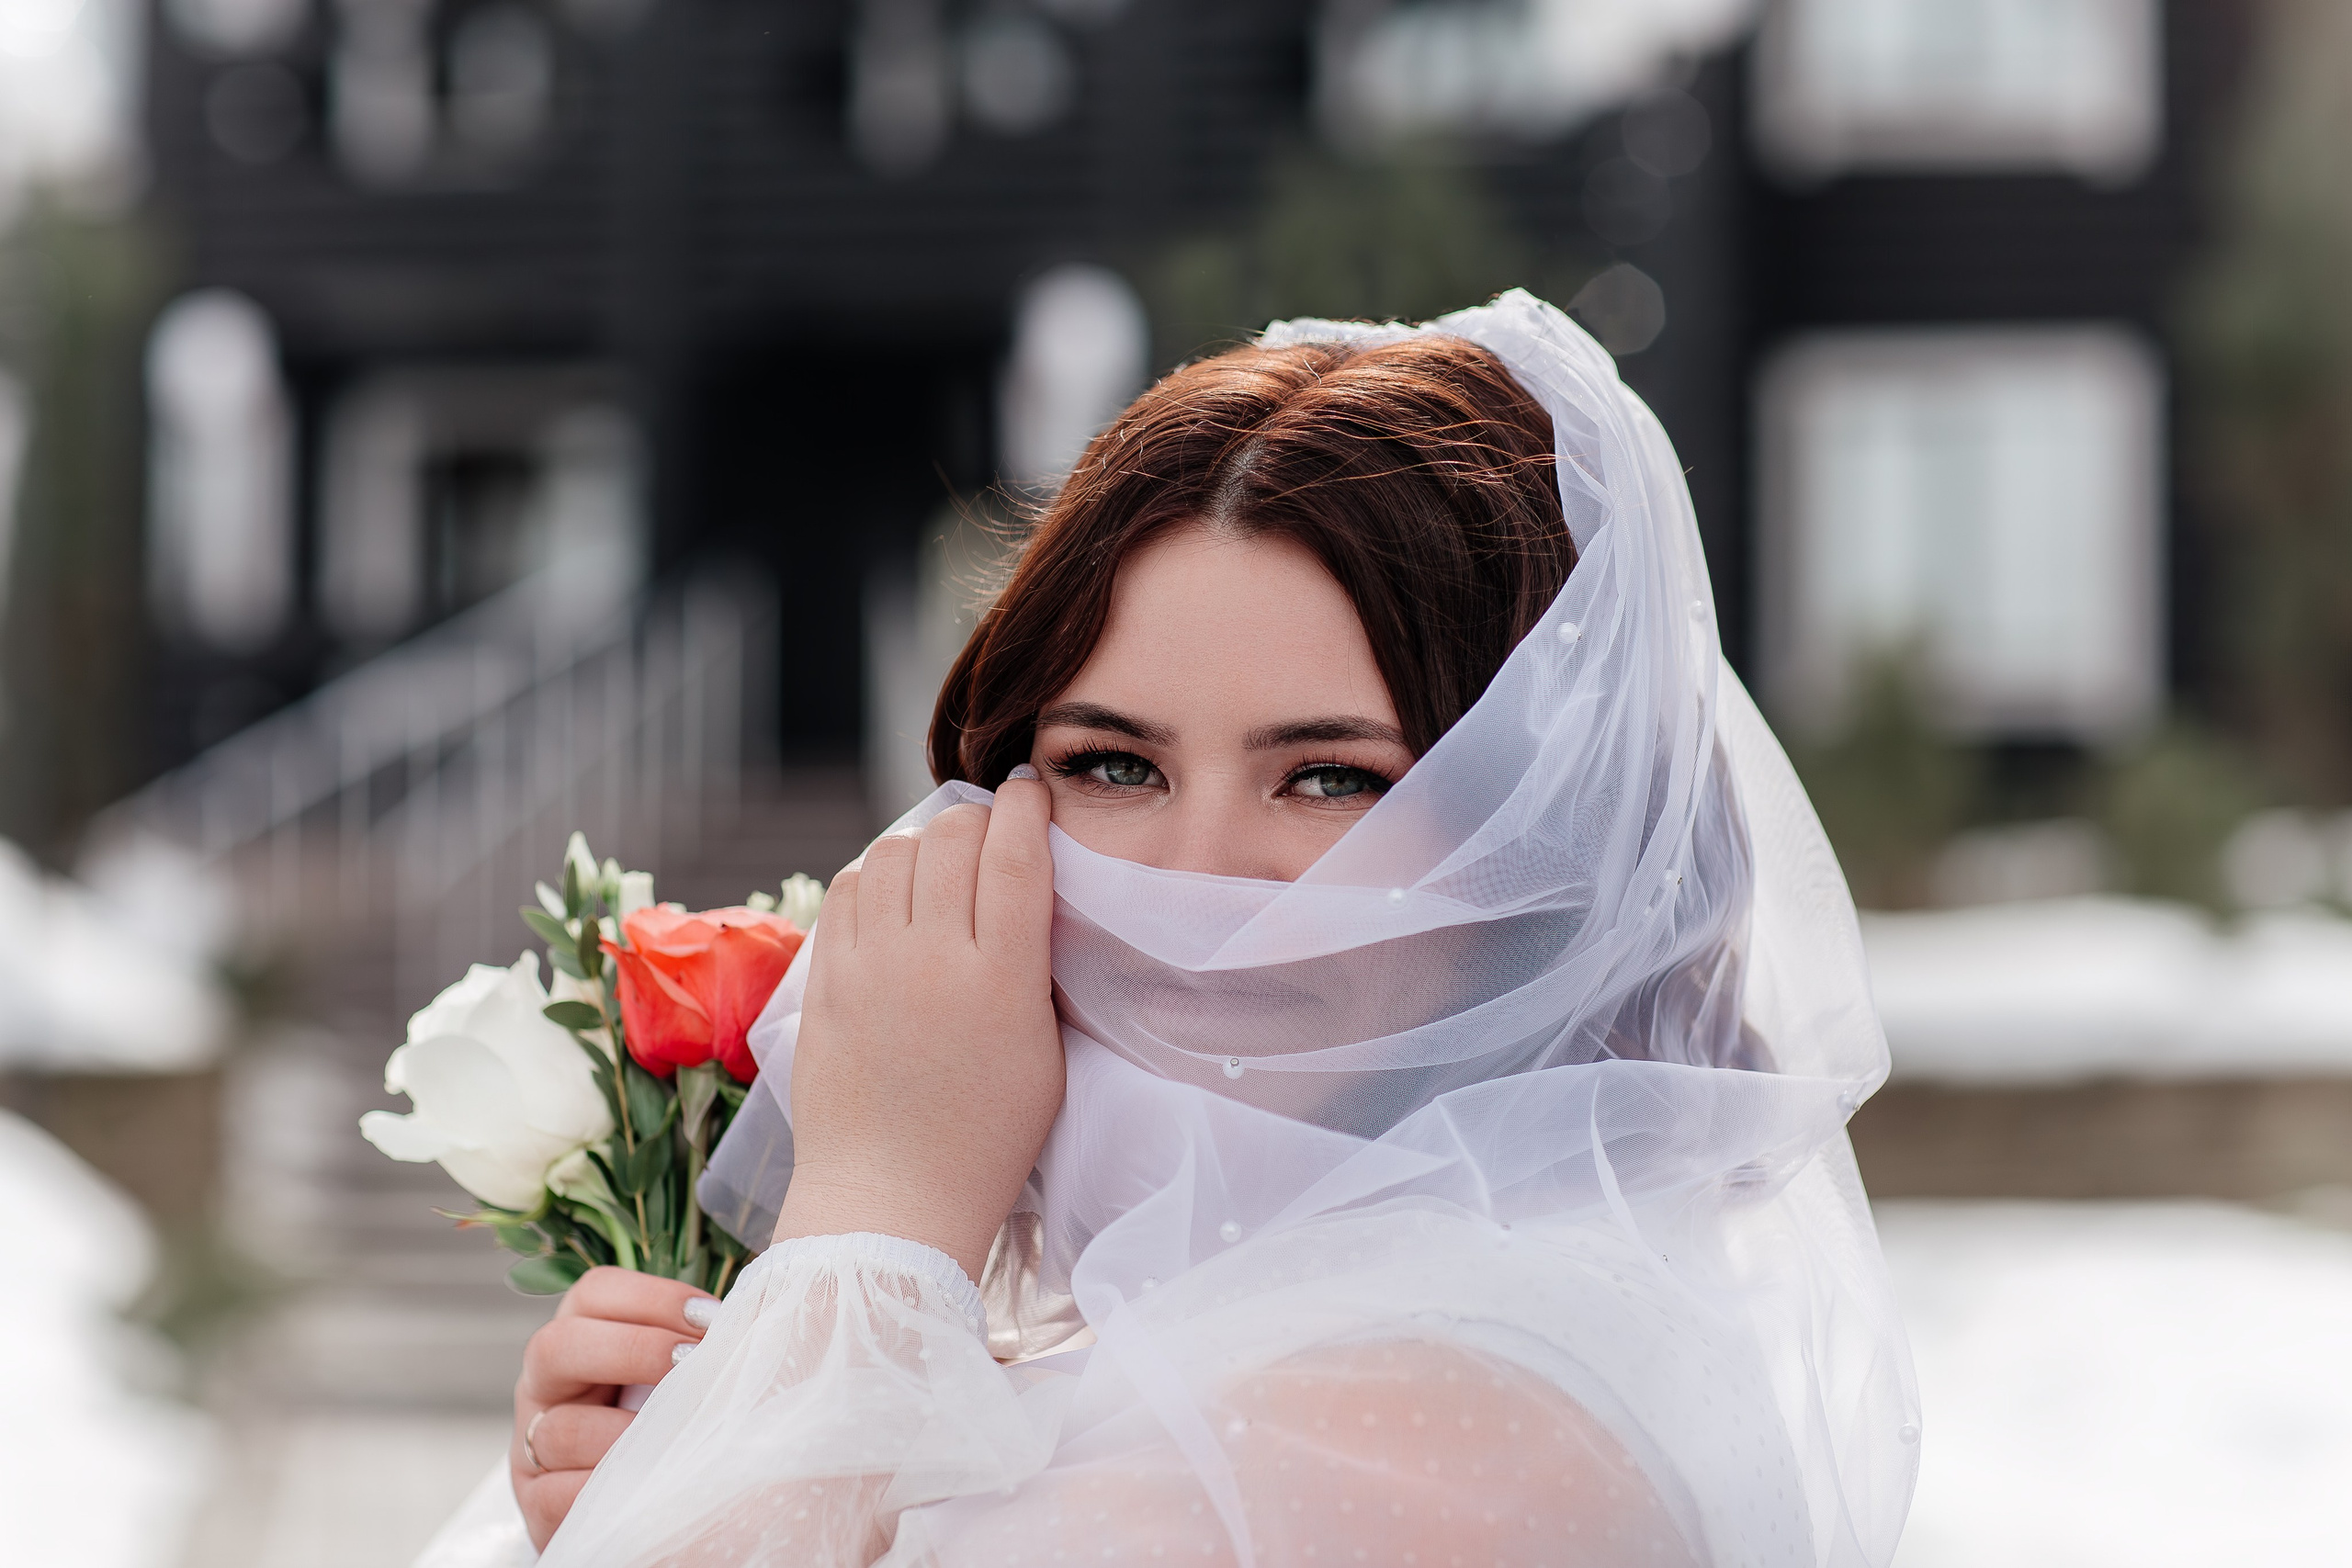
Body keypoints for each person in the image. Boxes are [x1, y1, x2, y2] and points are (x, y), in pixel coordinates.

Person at [427, 290, 1917, 1567]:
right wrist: (658, 1478)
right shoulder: (1210, 1327)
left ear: (1544, 861)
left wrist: (866, 1241)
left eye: (1334, 778)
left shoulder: (1434, 1420)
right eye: (1113, 767)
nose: (1199, 885)